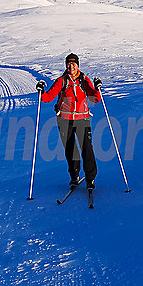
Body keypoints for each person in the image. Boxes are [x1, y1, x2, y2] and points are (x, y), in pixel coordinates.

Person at [37, 53, 102, 190]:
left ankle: (90, 179)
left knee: (87, 149)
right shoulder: (62, 80)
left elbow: (94, 98)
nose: (71, 66)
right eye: (69, 63)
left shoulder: (84, 80)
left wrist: (97, 88)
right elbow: (49, 97)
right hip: (64, 120)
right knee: (71, 150)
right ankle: (74, 176)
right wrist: (41, 92)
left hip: (82, 119)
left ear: (78, 65)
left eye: (73, 64)